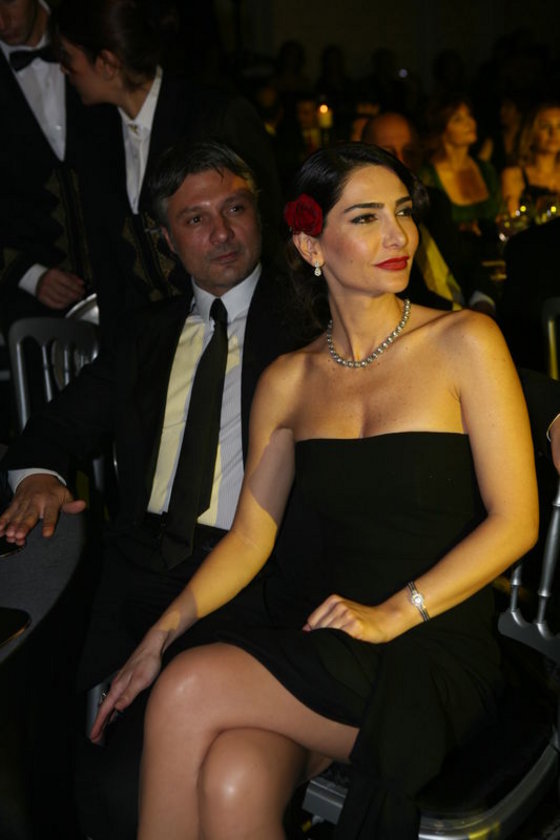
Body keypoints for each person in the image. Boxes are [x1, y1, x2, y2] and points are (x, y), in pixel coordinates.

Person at [89, 143, 539, 839]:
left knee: (187, 686)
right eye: (365, 218)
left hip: (431, 643)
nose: (398, 236)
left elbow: (516, 522)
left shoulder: (465, 341)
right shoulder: (289, 381)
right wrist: (160, 634)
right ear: (310, 245)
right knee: (235, 775)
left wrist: (393, 614)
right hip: (325, 636)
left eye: (402, 212)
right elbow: (250, 537)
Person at [0, 140, 305, 692]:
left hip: (256, 575)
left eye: (235, 208)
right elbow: (54, 428)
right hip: (138, 565)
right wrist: (39, 479)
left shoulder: (309, 327)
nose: (222, 233)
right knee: (37, 692)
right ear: (167, 239)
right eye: (196, 219)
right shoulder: (145, 335)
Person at [51, 0, 282, 340]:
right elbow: (109, 267)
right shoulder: (95, 134)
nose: (63, 71)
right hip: (144, 345)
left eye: (68, 58)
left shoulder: (215, 116)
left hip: (234, 335)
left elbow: (271, 233)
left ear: (107, 63)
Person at [0, 0, 97, 332]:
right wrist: (28, 274)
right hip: (27, 306)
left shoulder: (97, 34)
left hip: (124, 289)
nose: (1, 21)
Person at [362, 112, 495, 313]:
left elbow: (465, 260)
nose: (401, 161)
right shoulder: (364, 218)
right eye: (388, 153)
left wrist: (483, 301)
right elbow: (403, 294)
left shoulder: (434, 200)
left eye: (409, 152)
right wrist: (463, 315)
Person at [420, 98, 502, 236]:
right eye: (457, 119)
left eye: (469, 115)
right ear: (442, 131)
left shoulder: (486, 170)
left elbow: (501, 214)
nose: (469, 123)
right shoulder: (427, 176)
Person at [501, 102, 560, 217]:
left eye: (559, 127)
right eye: (545, 126)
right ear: (532, 132)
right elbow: (512, 221)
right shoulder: (514, 176)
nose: (553, 133)